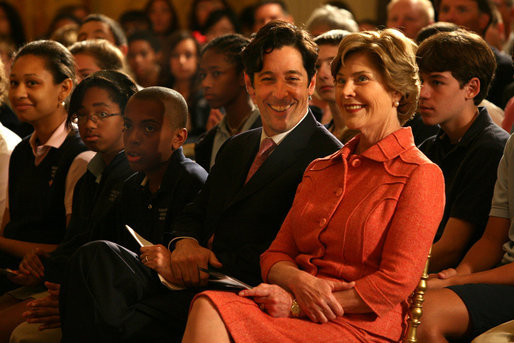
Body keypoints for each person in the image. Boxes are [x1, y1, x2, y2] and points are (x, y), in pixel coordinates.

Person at [59, 21, 342, 342]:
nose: (280, 92)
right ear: (250, 85)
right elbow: (195, 212)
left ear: (311, 83)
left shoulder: (327, 156)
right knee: (94, 257)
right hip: (188, 276)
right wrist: (186, 244)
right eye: (267, 79)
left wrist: (204, 262)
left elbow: (301, 252)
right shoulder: (239, 145)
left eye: (292, 79)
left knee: (118, 320)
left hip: (243, 289)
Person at [182, 28, 445, 343]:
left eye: (361, 79)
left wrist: (297, 305)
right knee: (206, 306)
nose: (346, 91)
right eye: (341, 80)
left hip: (361, 325)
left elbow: (395, 283)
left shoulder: (420, 173)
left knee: (210, 309)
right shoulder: (321, 167)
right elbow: (274, 255)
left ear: (397, 92)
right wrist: (297, 283)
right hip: (295, 310)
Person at [2, 70, 137, 343]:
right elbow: (73, 243)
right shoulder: (92, 174)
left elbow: (116, 261)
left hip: (103, 299)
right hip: (66, 286)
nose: (89, 124)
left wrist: (70, 300)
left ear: (128, 117)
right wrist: (40, 267)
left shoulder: (132, 175)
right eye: (82, 116)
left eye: (101, 114)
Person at [0, 40, 92, 293]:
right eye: (14, 82)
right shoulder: (22, 151)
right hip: (15, 271)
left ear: (64, 89)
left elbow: (70, 248)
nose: (18, 93)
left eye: (32, 83)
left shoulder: (79, 155)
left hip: (56, 284)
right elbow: (10, 228)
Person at [417, 29, 510, 273]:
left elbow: (450, 249)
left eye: (436, 82)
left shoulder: (491, 148)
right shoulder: (429, 147)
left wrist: (388, 275)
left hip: (457, 275)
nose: (422, 93)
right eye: (420, 80)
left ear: (471, 88)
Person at [418, 135, 514, 342]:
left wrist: (459, 280)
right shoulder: (513, 144)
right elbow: (492, 240)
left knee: (423, 315)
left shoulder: (488, 146)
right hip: (503, 278)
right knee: (407, 303)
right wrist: (455, 275)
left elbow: (451, 245)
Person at [194, 34, 260, 172]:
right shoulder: (207, 142)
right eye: (203, 75)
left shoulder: (267, 130)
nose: (205, 83)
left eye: (216, 73)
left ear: (244, 76)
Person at [438, 0, 513, 108]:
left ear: (483, 20)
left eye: (461, 10)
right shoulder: (429, 61)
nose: (450, 17)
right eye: (445, 9)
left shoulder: (505, 68)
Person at [311, 30, 358, 143]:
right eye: (317, 66)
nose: (322, 74)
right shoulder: (318, 137)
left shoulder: (369, 136)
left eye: (332, 64)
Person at [162, 31, 209, 140]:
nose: (181, 61)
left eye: (188, 55)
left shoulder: (207, 94)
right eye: (175, 55)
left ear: (198, 59)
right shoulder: (161, 93)